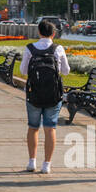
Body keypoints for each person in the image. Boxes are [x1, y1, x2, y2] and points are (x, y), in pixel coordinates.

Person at [19, 19, 68, 173]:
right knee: (50, 128)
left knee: (33, 128)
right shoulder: (58, 49)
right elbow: (66, 71)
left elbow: (23, 71)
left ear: (39, 32)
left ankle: (31, 162)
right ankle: (46, 164)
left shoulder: (30, 49)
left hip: (34, 94)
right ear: (53, 34)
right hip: (53, 95)